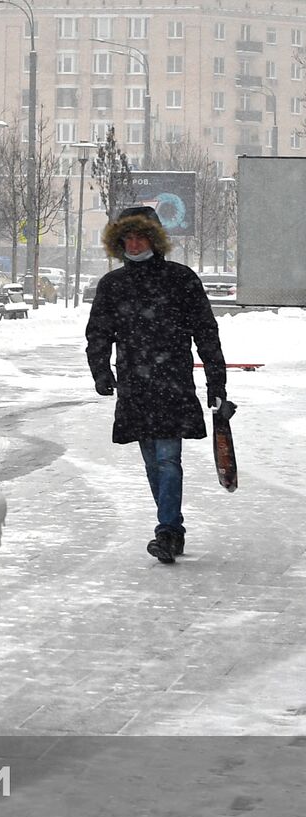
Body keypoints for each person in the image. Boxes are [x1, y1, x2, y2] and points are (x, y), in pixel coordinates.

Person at [86, 206, 228, 564]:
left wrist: (216, 379)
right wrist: (101, 372)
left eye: (141, 237)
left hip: (173, 381)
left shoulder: (180, 279)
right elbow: (99, 334)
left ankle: (167, 530)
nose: (134, 244)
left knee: (167, 458)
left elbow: (206, 331)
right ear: (119, 244)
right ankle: (172, 526)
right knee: (152, 460)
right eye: (127, 238)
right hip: (135, 384)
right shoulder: (113, 285)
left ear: (155, 239)